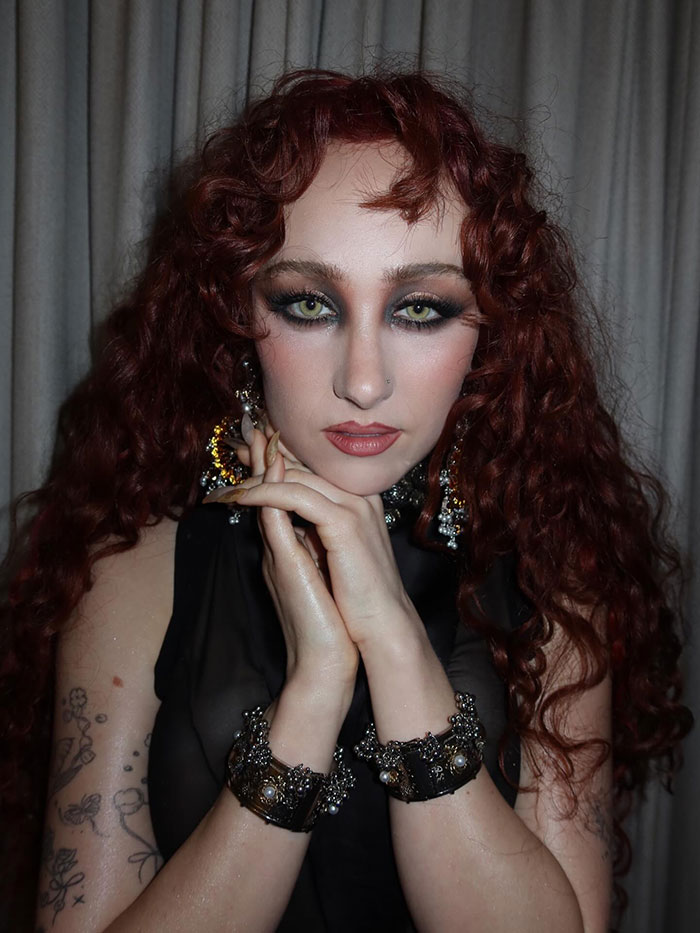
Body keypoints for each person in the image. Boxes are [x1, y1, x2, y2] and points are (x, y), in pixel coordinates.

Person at [0, 69, 692, 933]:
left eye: (422, 309)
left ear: (491, 334)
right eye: (308, 302)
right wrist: (314, 689)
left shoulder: (555, 572)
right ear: (235, 312)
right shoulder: (131, 568)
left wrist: (395, 643)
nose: (362, 381)